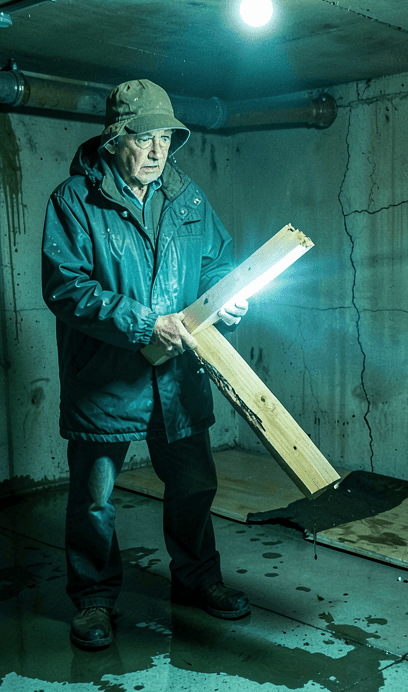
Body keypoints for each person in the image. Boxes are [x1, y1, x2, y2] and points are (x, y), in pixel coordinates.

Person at [41, 79, 251, 650]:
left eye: (166, 138)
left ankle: (196, 576)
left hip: (176, 377)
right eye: (144, 138)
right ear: (114, 140)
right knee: (94, 499)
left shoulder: (189, 198)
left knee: (194, 484)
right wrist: (141, 322)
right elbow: (66, 287)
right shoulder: (74, 201)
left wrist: (226, 302)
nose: (159, 151)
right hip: (105, 382)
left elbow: (215, 264)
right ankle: (93, 600)